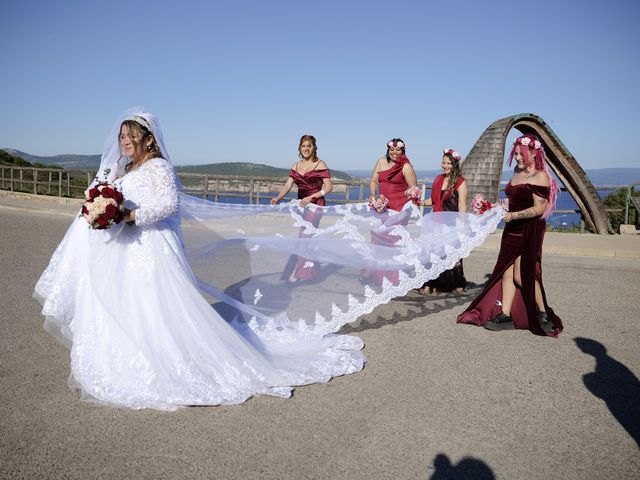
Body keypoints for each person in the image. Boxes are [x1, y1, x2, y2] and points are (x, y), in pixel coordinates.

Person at [33, 108, 364, 410]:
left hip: (152, 244)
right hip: (132, 245)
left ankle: (168, 357)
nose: (124, 142)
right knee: (130, 302)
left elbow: (168, 205)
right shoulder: (126, 168)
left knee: (159, 305)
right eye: (121, 137)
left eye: (130, 136)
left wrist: (127, 216)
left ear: (148, 139)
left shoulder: (159, 166)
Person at [457, 133, 563, 337]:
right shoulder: (516, 171)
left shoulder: (539, 176)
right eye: (515, 154)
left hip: (529, 228)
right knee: (506, 271)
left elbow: (539, 208)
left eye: (521, 154)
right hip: (512, 227)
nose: (517, 158)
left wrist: (514, 215)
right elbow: (514, 199)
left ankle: (543, 313)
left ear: (533, 153)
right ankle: (505, 314)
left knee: (521, 274)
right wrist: (496, 208)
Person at [271, 135, 332, 282]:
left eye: (309, 146)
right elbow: (287, 185)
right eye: (304, 146)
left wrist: (312, 197)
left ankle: (297, 274)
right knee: (304, 238)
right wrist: (278, 198)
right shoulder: (296, 166)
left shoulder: (320, 164)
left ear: (314, 148)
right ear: (299, 148)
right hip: (301, 205)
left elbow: (329, 187)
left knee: (304, 237)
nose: (306, 148)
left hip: (316, 204)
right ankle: (311, 272)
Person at [419, 148, 468, 294]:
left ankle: (456, 283)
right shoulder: (438, 179)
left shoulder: (460, 182)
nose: (445, 165)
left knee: (452, 255)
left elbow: (462, 205)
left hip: (451, 224)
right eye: (443, 162)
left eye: (448, 163)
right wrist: (419, 202)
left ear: (454, 165)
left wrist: (462, 225)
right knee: (432, 253)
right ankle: (430, 283)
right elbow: (433, 200)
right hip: (435, 223)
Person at [368, 138, 417, 212]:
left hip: (400, 208)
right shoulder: (381, 161)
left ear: (402, 151)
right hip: (382, 206)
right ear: (388, 151)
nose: (394, 152)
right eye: (391, 150)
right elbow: (374, 181)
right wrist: (373, 194)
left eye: (398, 150)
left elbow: (413, 189)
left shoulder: (406, 166)